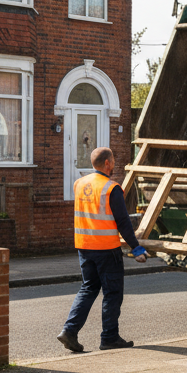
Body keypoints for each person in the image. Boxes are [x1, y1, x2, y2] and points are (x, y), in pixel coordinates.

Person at [58, 147, 148, 353]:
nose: (114, 163)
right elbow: (123, 222)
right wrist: (136, 248)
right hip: (107, 249)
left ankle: (69, 331)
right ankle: (109, 337)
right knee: (112, 293)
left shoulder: (79, 184)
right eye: (114, 159)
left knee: (88, 288)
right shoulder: (111, 188)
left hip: (84, 247)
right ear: (107, 163)